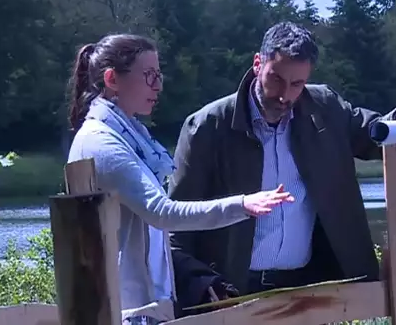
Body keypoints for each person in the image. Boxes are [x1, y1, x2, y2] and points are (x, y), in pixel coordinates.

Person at [169, 21, 396, 298]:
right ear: (257, 64)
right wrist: (200, 284)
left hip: (310, 285)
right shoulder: (207, 127)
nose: (285, 95)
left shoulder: (325, 107)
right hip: (232, 290)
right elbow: (174, 224)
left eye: (297, 84)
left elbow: (372, 131)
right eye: (276, 79)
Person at [66, 33, 295, 323]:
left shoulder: (123, 135)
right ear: (112, 79)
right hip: (123, 311)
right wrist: (244, 204)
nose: (158, 85)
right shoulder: (102, 141)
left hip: (136, 307)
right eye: (148, 76)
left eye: (159, 75)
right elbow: (163, 213)